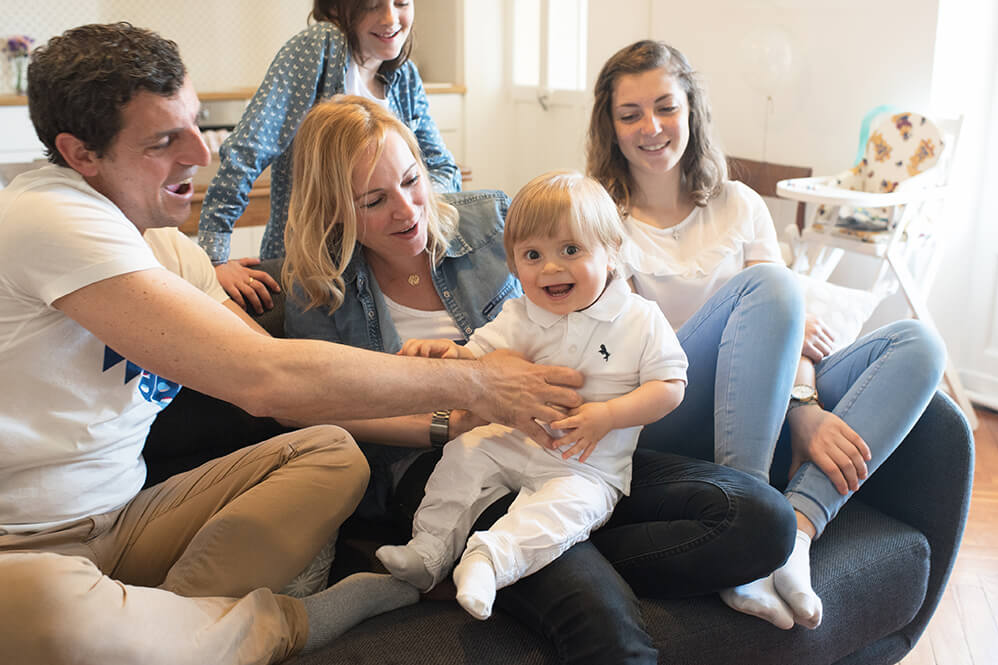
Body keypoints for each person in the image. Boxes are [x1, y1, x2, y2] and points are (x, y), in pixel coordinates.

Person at [0, 23, 585, 665]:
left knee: (333, 455)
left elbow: (285, 393)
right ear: (80, 154)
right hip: (21, 546)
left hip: (127, 520)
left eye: (196, 124)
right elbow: (265, 375)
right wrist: (476, 384)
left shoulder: (166, 247)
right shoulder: (48, 216)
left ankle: (169, 629)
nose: (201, 152)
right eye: (165, 140)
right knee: (61, 624)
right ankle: (284, 624)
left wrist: (456, 416)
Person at [282, 95, 796, 664]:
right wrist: (456, 416)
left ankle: (564, 528)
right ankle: (501, 549)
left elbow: (574, 303)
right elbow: (309, 405)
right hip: (461, 459)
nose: (407, 210)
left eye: (411, 180)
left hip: (579, 447)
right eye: (374, 200)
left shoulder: (487, 220)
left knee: (763, 521)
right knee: (606, 632)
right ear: (335, 209)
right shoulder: (317, 286)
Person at [587, 39, 947, 631]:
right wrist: (768, 343)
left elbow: (788, 334)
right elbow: (613, 348)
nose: (651, 127)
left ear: (691, 110)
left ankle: (796, 536)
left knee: (916, 344)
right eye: (631, 115)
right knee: (774, 290)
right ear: (612, 125)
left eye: (665, 107)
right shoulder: (598, 216)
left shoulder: (740, 204)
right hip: (663, 411)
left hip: (759, 418)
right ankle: (747, 534)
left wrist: (800, 406)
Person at [374, 170, 688, 621]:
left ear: (611, 254)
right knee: (464, 452)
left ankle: (489, 561)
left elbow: (670, 387)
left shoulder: (640, 319)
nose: (551, 268)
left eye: (571, 250)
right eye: (533, 255)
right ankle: (428, 551)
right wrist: (450, 354)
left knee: (560, 513)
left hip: (586, 467)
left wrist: (609, 415)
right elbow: (481, 358)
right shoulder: (521, 313)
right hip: (514, 440)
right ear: (514, 264)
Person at [198, 0, 462, 314]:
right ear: (337, 7)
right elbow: (249, 147)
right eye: (371, 6)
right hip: (317, 275)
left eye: (401, 2)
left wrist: (417, 203)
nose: (391, 18)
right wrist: (214, 259)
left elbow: (443, 167)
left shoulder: (404, 76)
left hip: (386, 271)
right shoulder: (320, 46)